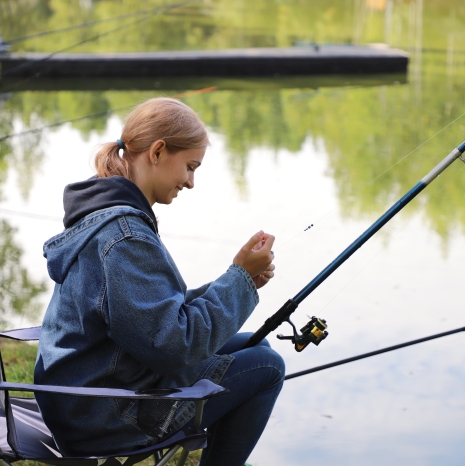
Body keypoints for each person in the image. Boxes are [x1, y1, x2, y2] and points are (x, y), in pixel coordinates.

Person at [34, 97, 285, 466]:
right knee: (267, 367)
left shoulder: (105, 211)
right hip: (103, 414)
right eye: (190, 166)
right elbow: (175, 346)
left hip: (83, 392)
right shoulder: (125, 236)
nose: (191, 181)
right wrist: (240, 279)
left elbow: (150, 313)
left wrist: (239, 279)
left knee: (250, 345)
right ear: (157, 151)